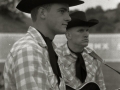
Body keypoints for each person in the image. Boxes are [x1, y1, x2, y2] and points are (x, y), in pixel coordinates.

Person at [3, 0, 84, 90]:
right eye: (62, 11)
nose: (69, 18)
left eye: (68, 12)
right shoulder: (29, 50)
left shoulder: (48, 49)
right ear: (42, 13)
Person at [55, 11, 106, 90]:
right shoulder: (56, 56)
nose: (86, 34)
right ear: (68, 35)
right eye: (81, 30)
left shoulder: (94, 58)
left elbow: (101, 87)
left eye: (87, 30)